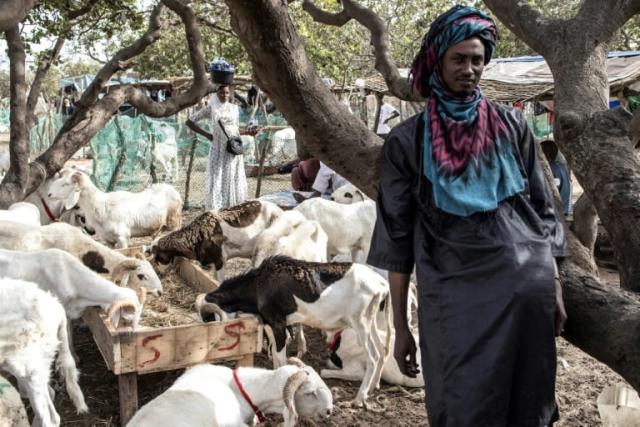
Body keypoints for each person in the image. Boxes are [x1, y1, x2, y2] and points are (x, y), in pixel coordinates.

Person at [367, 6, 567, 427]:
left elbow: (544, 209)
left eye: (478, 59)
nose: (470, 69)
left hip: (524, 286)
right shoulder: (409, 140)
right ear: (437, 60)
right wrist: (401, 326)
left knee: (526, 400)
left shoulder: (512, 126)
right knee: (462, 402)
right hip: (452, 292)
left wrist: (554, 281)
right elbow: (396, 238)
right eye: (459, 59)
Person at [186, 84, 247, 210]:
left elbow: (235, 129)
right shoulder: (212, 108)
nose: (224, 95)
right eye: (221, 93)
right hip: (218, 150)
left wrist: (248, 132)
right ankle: (216, 209)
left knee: (232, 176)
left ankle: (231, 207)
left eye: (226, 93)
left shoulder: (234, 109)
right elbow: (190, 121)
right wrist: (207, 135)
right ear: (216, 93)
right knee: (217, 177)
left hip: (232, 150)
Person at [541, 139, 572, 216]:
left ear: (546, 154)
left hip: (558, 212)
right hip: (563, 209)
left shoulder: (550, 169)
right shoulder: (560, 166)